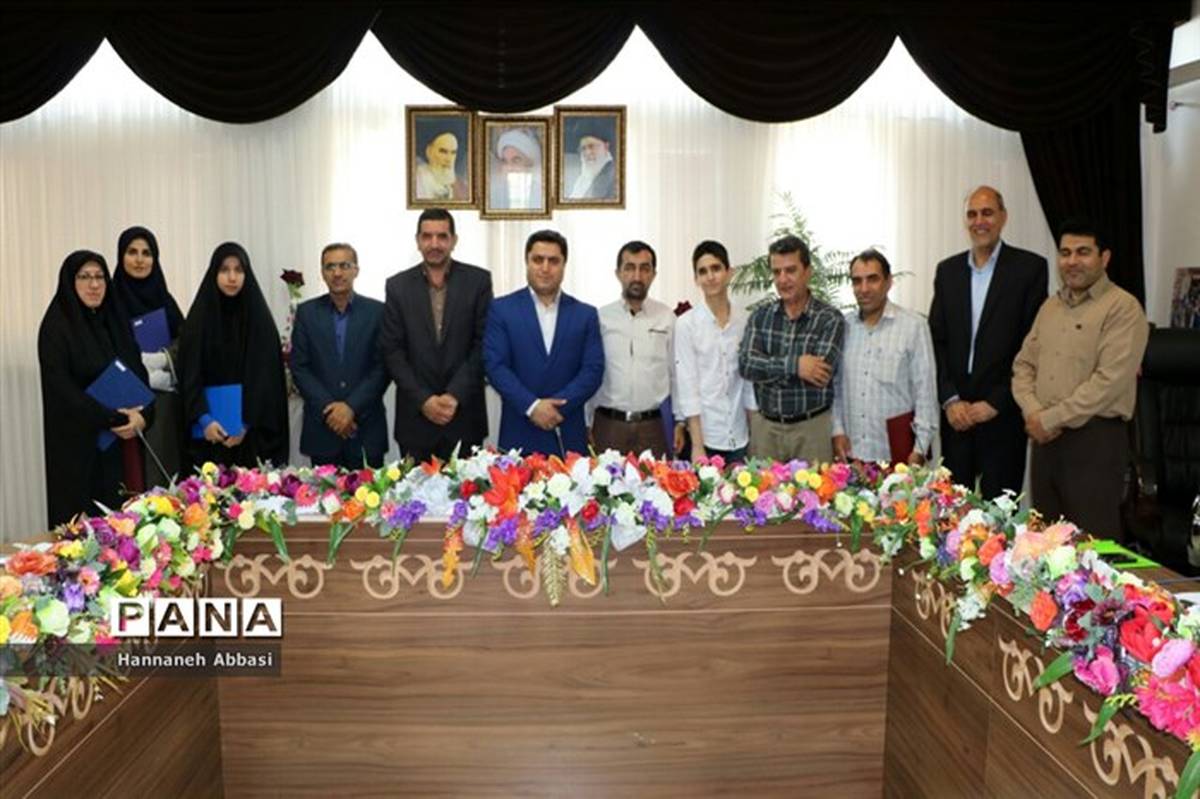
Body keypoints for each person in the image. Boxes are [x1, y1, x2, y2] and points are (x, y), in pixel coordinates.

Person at [1012, 218, 1149, 539]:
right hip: (1044, 442)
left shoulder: (1123, 308)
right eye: (1065, 253)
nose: (1072, 261)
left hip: (1094, 442)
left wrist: (1050, 418)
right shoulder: (1050, 307)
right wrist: (1034, 412)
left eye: (1083, 252)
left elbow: (1108, 382)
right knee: (1045, 545)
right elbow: (1023, 366)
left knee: (1092, 549)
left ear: (1104, 258)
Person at [929, 186, 1048, 498]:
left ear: (1003, 217)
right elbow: (936, 342)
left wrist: (996, 402)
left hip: (1003, 417)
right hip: (956, 418)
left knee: (1000, 515)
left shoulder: (1030, 269)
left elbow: (1032, 346)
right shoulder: (947, 271)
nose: (979, 221)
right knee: (951, 512)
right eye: (972, 214)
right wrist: (950, 399)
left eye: (987, 213)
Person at [39, 251, 153, 526]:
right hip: (77, 453)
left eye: (100, 277)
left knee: (124, 531)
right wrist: (111, 417)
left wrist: (144, 416)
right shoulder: (56, 328)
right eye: (84, 277)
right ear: (70, 282)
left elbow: (139, 376)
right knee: (82, 539)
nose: (94, 285)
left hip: (121, 448)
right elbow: (62, 391)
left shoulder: (116, 322)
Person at [381, 209, 492, 462]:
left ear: (454, 240)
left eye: (442, 236)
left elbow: (483, 344)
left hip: (464, 416)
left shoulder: (478, 281)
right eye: (427, 236)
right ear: (417, 241)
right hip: (415, 419)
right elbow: (392, 351)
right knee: (412, 489)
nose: (434, 244)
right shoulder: (397, 286)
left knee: (468, 489)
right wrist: (425, 400)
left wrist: (454, 395)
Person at [483, 230, 604, 456]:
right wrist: (532, 407)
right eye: (538, 260)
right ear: (527, 262)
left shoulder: (585, 314)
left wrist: (556, 408)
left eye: (553, 261)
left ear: (564, 265)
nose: (545, 268)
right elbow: (495, 366)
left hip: (567, 430)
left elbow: (593, 370)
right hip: (519, 429)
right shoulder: (502, 310)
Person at [178, 242, 289, 469]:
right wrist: (205, 420)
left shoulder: (260, 322)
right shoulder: (198, 322)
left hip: (252, 437)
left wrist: (245, 423)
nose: (232, 277)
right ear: (214, 273)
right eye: (224, 270)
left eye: (238, 270)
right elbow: (189, 375)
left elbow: (267, 380)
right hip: (206, 437)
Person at [738, 235, 844, 464]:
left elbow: (820, 375)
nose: (783, 279)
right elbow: (747, 365)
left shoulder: (829, 319)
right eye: (777, 272)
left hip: (812, 429)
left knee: (818, 488)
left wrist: (768, 368)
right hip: (765, 428)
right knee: (760, 487)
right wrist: (796, 366)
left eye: (790, 270)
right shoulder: (761, 316)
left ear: (808, 272)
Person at [831, 249, 938, 465]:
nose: (864, 289)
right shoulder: (843, 327)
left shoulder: (913, 327)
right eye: (857, 281)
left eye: (872, 279)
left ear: (888, 282)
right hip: (853, 456)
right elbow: (836, 388)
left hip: (898, 458)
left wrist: (919, 449)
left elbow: (925, 393)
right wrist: (837, 430)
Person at [290, 242, 389, 469]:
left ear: (356, 270)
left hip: (366, 430)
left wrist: (351, 407)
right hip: (322, 430)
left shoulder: (378, 312)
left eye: (344, 266)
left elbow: (383, 367)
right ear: (322, 273)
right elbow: (300, 367)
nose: (337, 273)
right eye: (330, 267)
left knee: (371, 493)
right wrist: (331, 410)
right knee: (322, 494)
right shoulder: (307, 313)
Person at [589, 241, 682, 456]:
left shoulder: (666, 318)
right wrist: (587, 421)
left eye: (644, 268)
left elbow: (676, 374)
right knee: (605, 479)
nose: (637, 276)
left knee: (658, 478)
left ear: (653, 274)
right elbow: (590, 372)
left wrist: (680, 421)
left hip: (654, 427)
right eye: (630, 268)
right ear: (618, 273)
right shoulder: (601, 318)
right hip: (609, 426)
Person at [112, 225, 185, 486]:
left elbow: (186, 341)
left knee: (161, 478)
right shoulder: (109, 301)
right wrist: (138, 372)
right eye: (132, 252)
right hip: (124, 403)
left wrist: (165, 359)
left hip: (162, 402)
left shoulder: (164, 300)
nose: (140, 260)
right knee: (128, 480)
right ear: (121, 256)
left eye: (147, 253)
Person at [674, 240, 756, 463]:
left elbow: (749, 383)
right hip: (706, 437)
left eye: (716, 268)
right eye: (703, 271)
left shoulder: (745, 321)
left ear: (729, 272)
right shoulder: (686, 324)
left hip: (740, 435)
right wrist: (697, 447)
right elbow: (688, 385)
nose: (710, 277)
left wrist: (754, 438)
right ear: (696, 279)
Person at [488, 127, 543, 211]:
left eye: (516, 160)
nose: (509, 167)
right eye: (504, 161)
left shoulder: (542, 194)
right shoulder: (493, 193)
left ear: (531, 163)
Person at [566, 124, 616, 200]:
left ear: (606, 147)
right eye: (583, 148)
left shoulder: (614, 177)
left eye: (592, 146)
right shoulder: (583, 179)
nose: (587, 153)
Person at [414, 131, 467, 201]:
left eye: (453, 152)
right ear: (429, 151)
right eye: (443, 152)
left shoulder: (461, 187)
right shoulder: (417, 179)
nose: (449, 159)